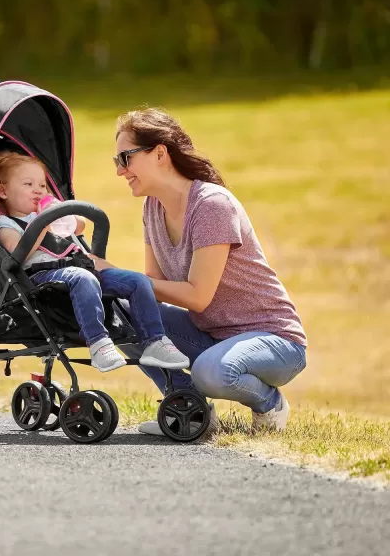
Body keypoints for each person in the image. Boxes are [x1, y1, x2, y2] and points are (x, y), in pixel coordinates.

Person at [87, 108, 307, 435]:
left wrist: (120, 275)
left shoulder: (211, 205)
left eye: (125, 158)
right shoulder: (153, 207)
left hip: (274, 340)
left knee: (210, 372)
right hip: (213, 336)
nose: (120, 171)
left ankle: (269, 404)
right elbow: (152, 291)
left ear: (160, 153)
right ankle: (189, 411)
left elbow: (198, 296)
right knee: (126, 315)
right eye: (116, 161)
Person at [0, 149, 191, 374]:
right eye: (28, 184)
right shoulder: (6, 224)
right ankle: (98, 342)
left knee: (138, 281)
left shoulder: (50, 214)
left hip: (81, 268)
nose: (38, 190)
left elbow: (79, 226)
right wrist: (43, 223)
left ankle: (154, 341)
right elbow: (16, 252)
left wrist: (63, 214)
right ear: (3, 191)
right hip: (42, 277)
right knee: (83, 277)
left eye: (42, 185)